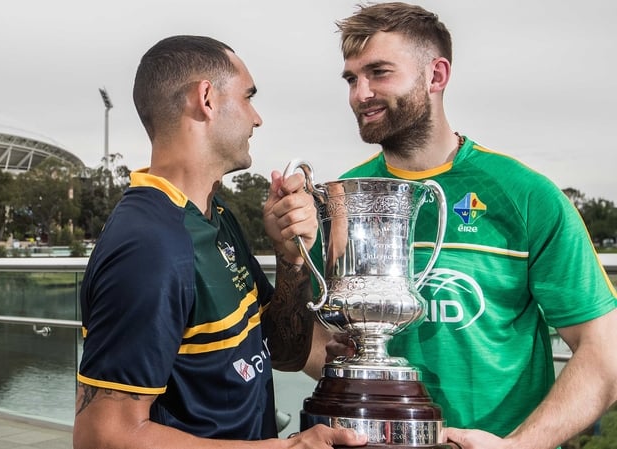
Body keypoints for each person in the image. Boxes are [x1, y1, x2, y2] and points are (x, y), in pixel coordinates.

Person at [315, 3, 617, 449]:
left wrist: (517, 446)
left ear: (436, 76)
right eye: (351, 79)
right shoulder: (346, 199)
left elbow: (604, 352)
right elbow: (317, 346)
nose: (361, 94)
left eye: (379, 73)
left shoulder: (524, 194)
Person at [73, 35, 366, 449]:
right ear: (207, 99)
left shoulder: (215, 215)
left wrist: (290, 258)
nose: (257, 118)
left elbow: (282, 350)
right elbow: (101, 436)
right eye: (248, 97)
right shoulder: (147, 246)